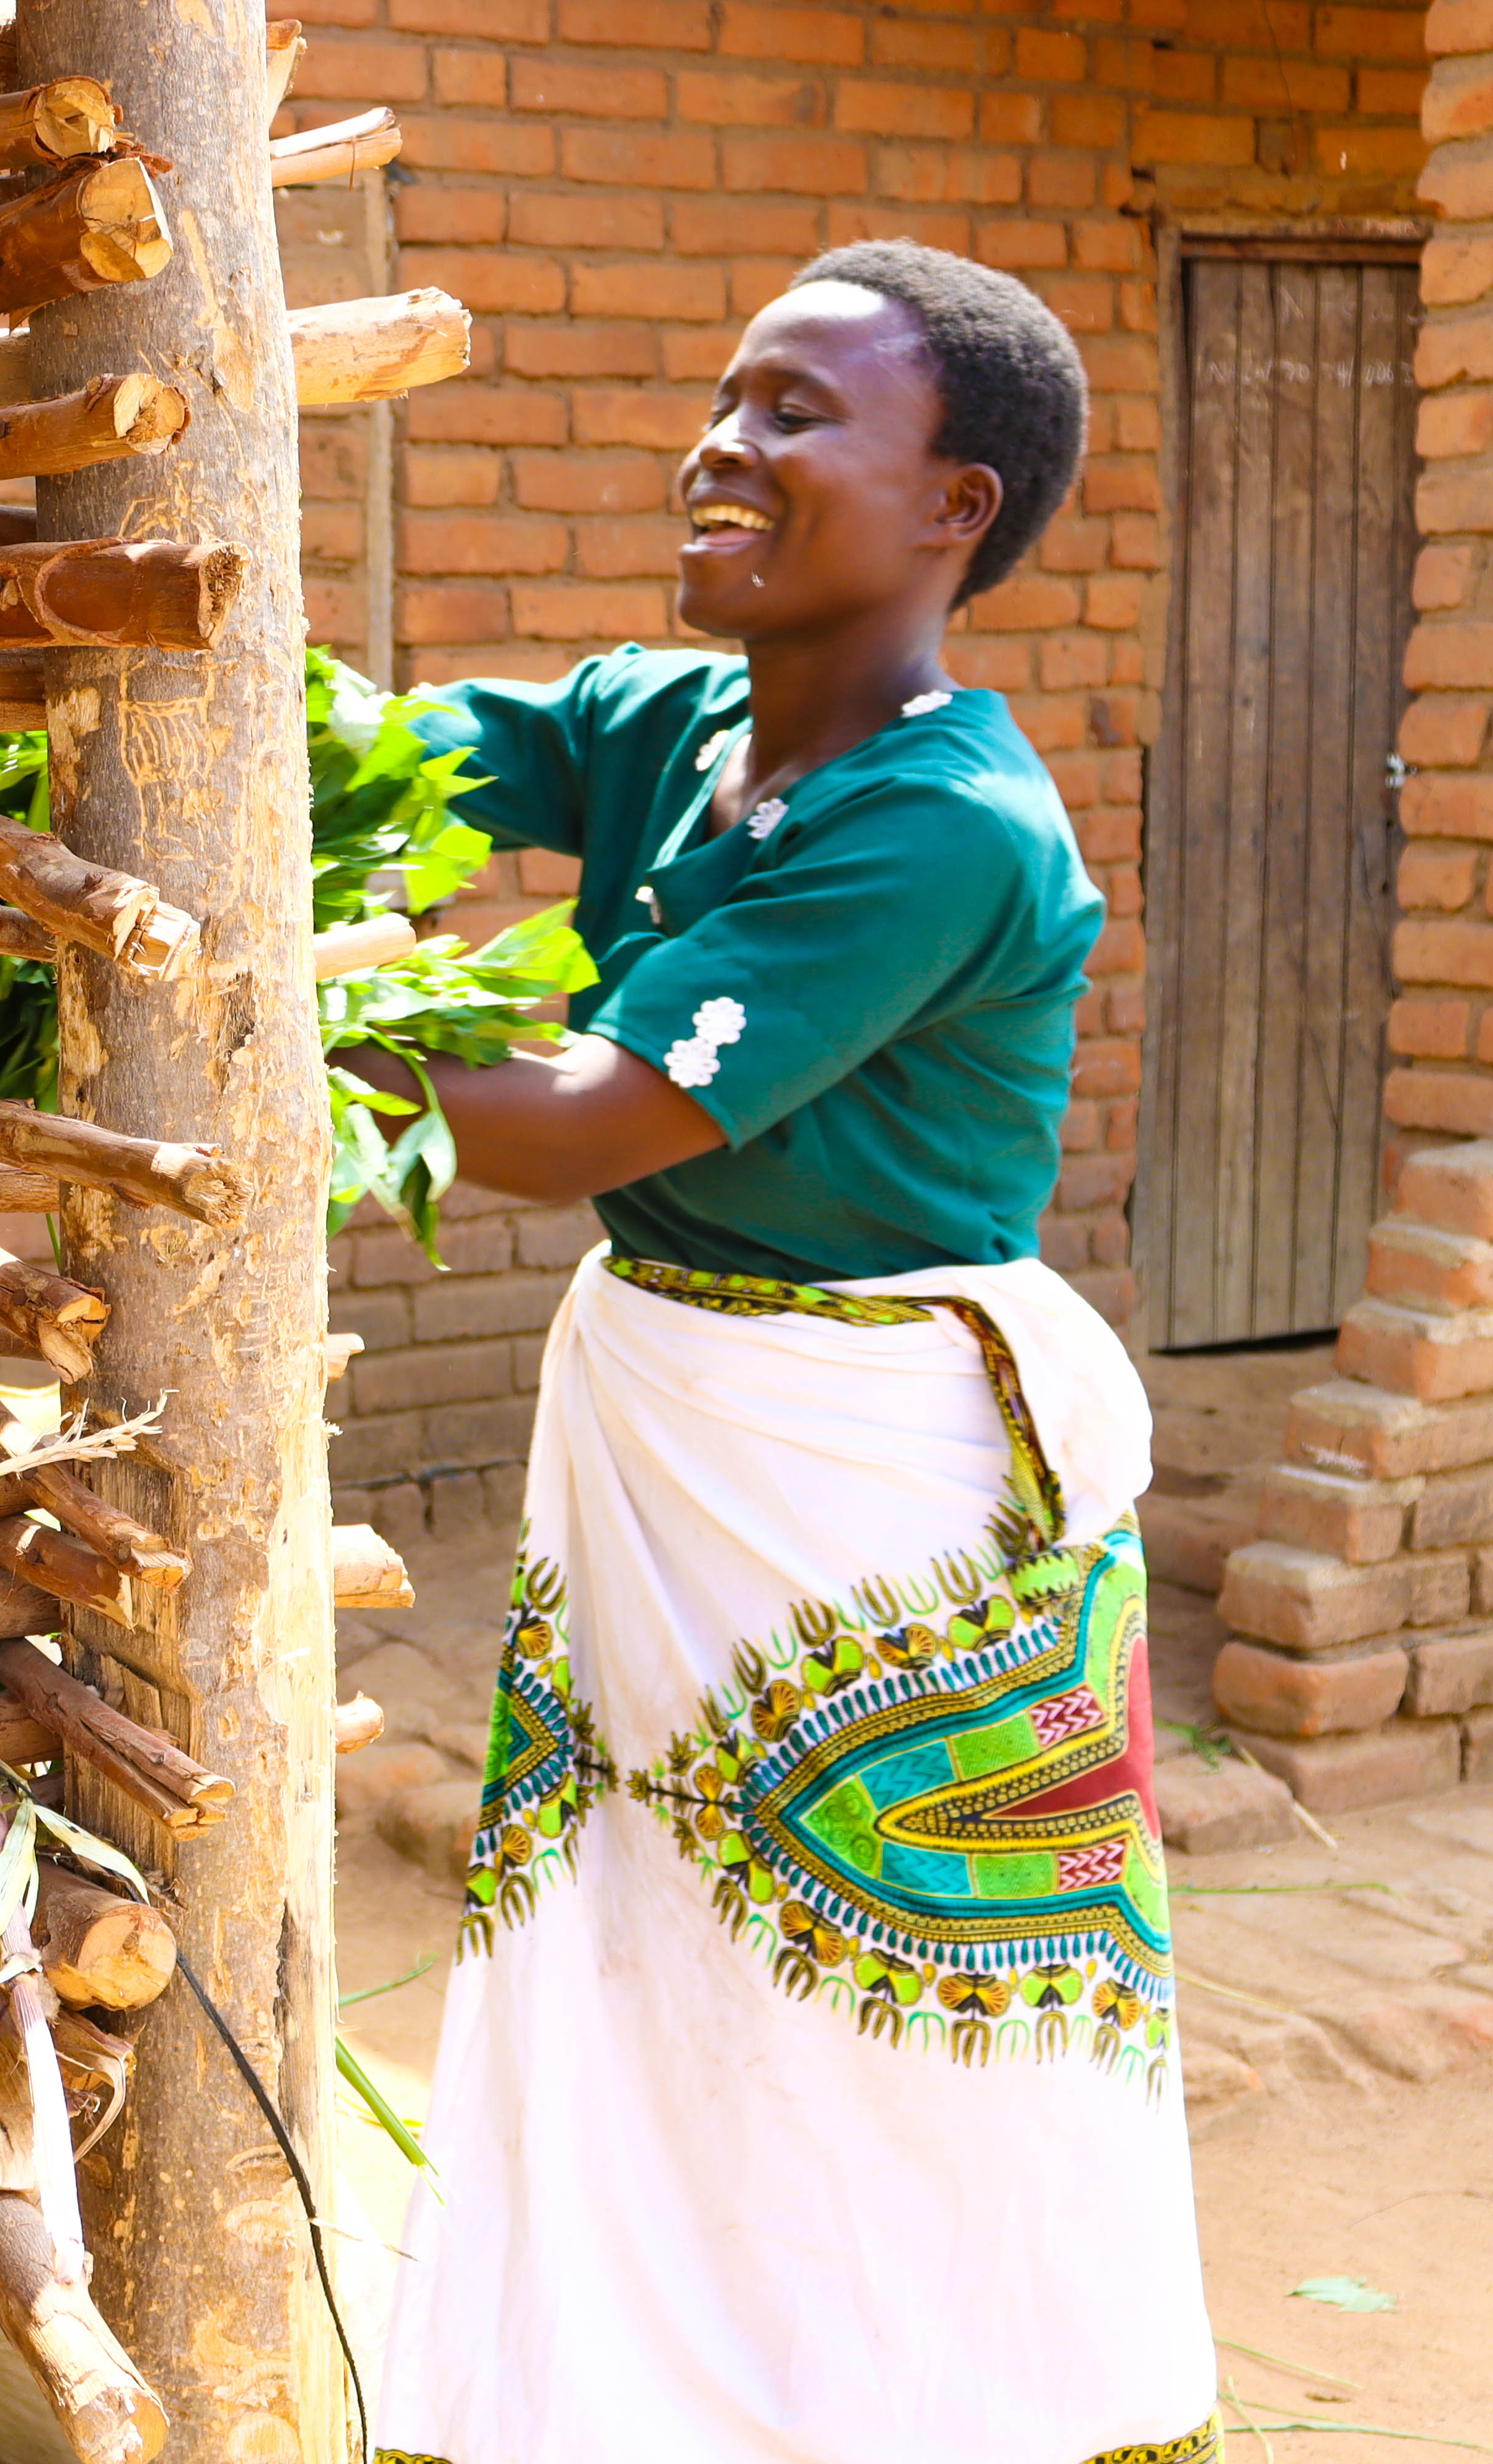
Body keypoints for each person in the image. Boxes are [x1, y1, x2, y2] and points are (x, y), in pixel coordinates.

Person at [347, 242, 1219, 2463]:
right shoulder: (672, 726)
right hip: (665, 1415)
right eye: (727, 398)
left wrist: (252, 1020)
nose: (723, 444)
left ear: (960, 507)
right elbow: (363, 753)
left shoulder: (941, 828)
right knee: (643, 1953)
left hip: (869, 1488)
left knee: (900, 2027)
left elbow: (580, 1126)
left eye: (799, 414)